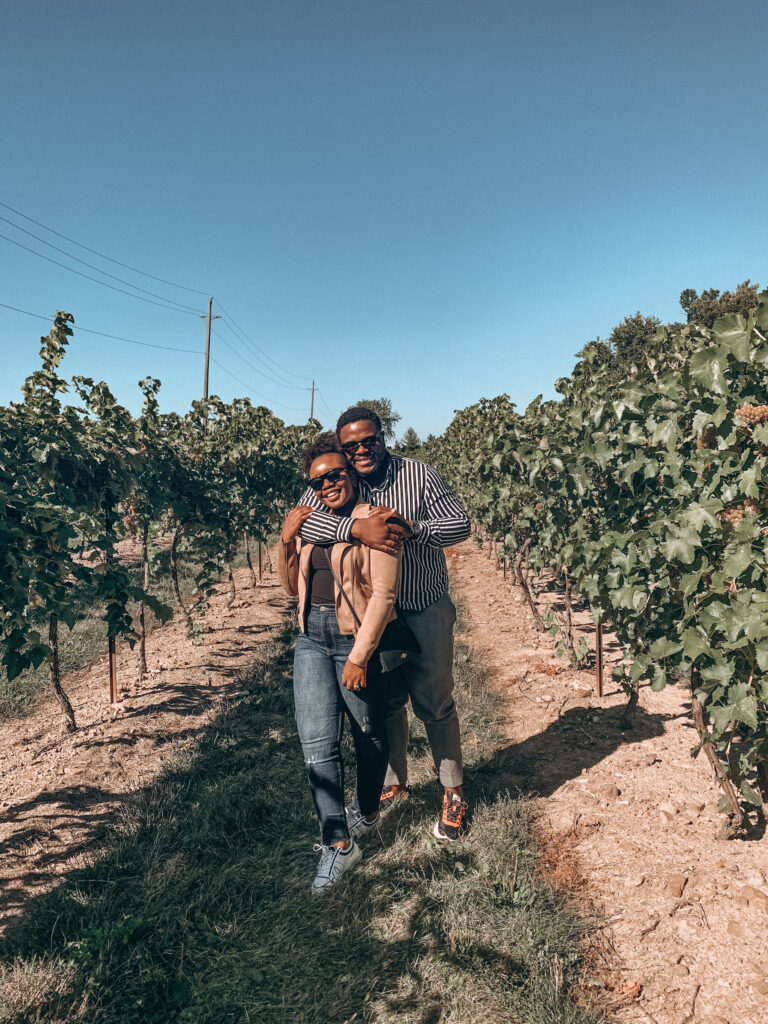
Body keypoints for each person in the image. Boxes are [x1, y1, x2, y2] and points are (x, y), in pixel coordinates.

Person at [297, 407, 471, 841]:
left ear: (382, 437)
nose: (360, 451)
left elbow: (460, 524)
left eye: (368, 441)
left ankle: (452, 791)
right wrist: (358, 531)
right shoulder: (335, 478)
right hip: (368, 616)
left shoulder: (418, 475)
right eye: (350, 445)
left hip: (422, 605)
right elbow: (301, 520)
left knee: (435, 702)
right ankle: (395, 782)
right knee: (388, 703)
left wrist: (408, 528)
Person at [278, 433, 401, 893]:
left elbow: (384, 596)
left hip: (355, 637)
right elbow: (291, 588)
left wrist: (360, 655)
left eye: (335, 474)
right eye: (318, 480)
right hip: (311, 637)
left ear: (351, 474)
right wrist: (285, 542)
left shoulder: (377, 520)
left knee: (368, 734)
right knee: (316, 742)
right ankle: (338, 845)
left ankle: (367, 810)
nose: (328, 484)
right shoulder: (309, 523)